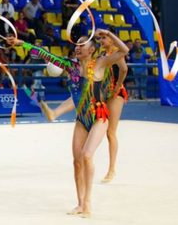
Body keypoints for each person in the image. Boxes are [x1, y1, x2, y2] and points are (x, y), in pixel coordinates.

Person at [9, 28, 128, 218]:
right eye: (77, 45)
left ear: (92, 49)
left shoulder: (100, 63)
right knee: (77, 162)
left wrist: (108, 33)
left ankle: (88, 203)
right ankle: (80, 203)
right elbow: (44, 53)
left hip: (99, 117)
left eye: (83, 44)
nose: (78, 47)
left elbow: (124, 51)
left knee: (87, 155)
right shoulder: (71, 66)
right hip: (82, 119)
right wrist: (21, 43)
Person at [40, 29, 129, 183]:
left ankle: (111, 169)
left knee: (110, 132)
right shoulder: (98, 53)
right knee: (82, 95)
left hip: (114, 92)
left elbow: (124, 69)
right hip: (100, 89)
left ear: (112, 40)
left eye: (104, 38)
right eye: (100, 38)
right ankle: (55, 113)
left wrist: (117, 87)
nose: (102, 40)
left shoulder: (113, 52)